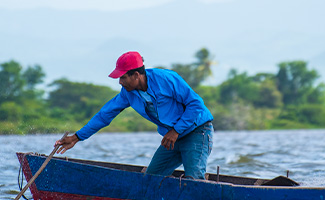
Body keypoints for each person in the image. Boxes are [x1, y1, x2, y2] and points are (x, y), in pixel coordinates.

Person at [54, 51, 214, 180]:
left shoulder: (166, 79)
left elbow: (196, 105)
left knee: (194, 181)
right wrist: (77, 137)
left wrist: (176, 130)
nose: (120, 82)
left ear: (136, 75)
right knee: (151, 180)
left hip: (197, 131)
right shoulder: (127, 94)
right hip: (172, 137)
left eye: (123, 77)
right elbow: (105, 115)